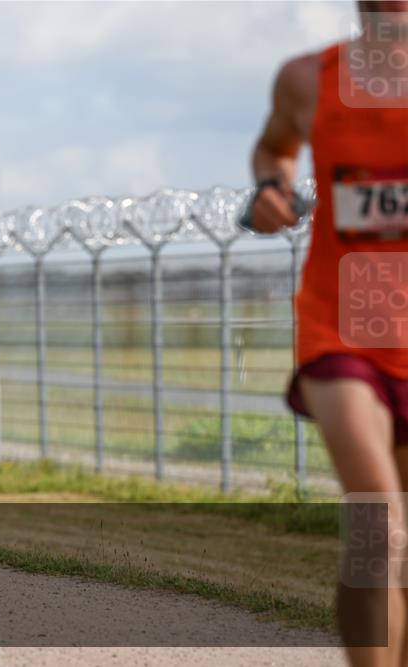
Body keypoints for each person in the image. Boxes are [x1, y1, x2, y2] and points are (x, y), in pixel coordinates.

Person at [248, 3, 407, 665]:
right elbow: (275, 147)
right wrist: (268, 190)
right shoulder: (307, 78)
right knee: (380, 527)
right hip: (340, 328)